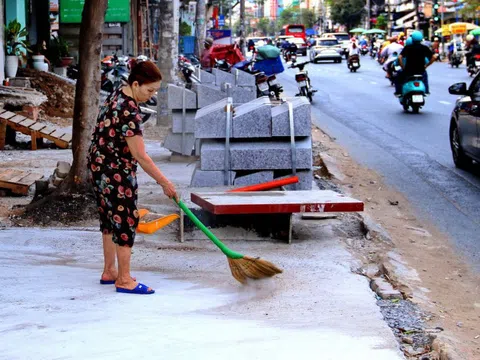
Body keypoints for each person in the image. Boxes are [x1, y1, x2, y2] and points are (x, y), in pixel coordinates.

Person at [87, 60, 178, 295]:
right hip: (115, 170)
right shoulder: (129, 110)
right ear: (136, 83)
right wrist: (165, 182)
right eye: (149, 90)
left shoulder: (118, 93)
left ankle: (110, 271)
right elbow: (141, 155)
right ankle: (124, 279)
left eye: (155, 90)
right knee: (126, 220)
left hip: (98, 165)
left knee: (109, 221)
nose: (151, 95)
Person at [396, 31, 437, 96]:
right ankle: (426, 91)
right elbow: (434, 57)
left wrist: (403, 67)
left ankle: (398, 92)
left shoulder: (408, 48)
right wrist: (426, 65)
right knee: (425, 78)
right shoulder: (424, 48)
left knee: (399, 78)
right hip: (421, 71)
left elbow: (399, 57)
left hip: (409, 71)